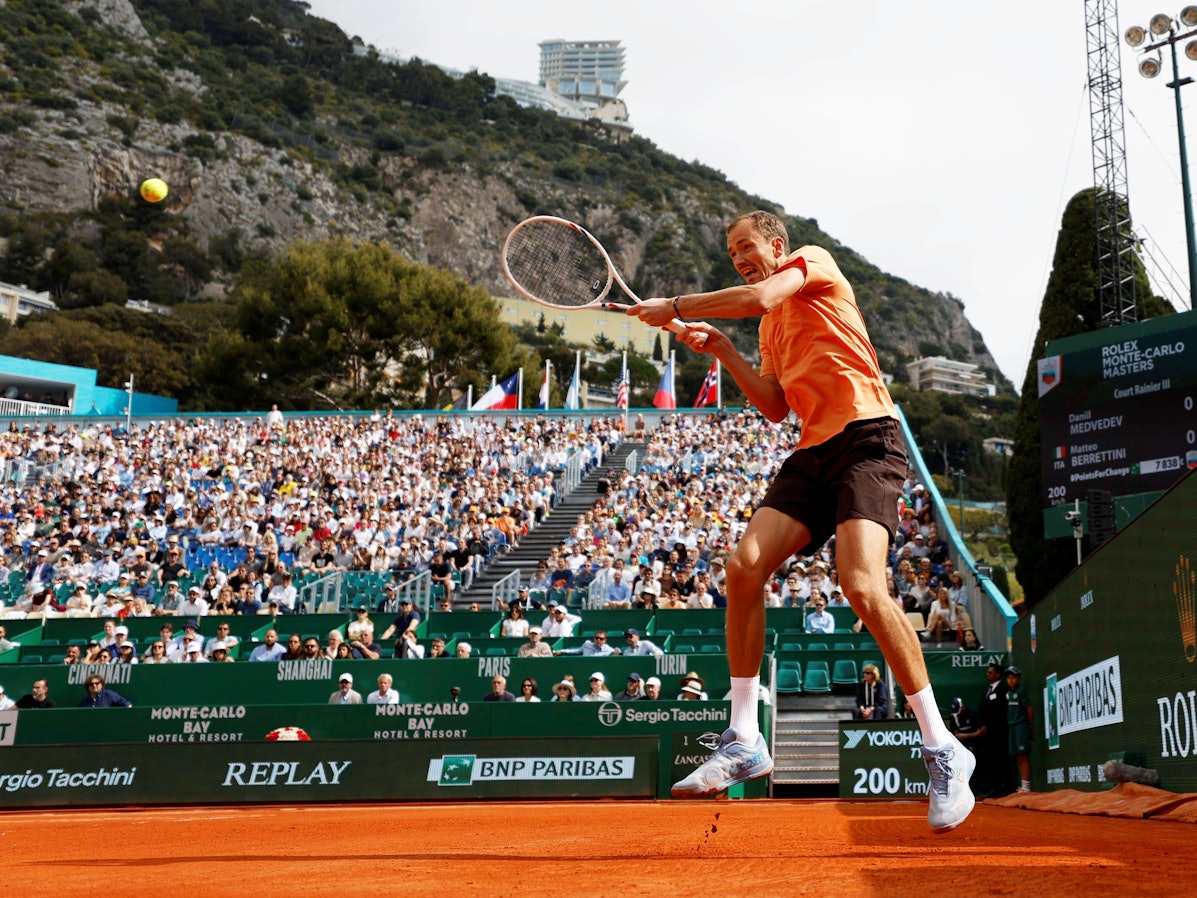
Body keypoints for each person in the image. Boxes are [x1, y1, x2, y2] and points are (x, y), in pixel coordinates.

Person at [627, 210, 972, 830]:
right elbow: (773, 406)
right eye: (731, 253)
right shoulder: (768, 327)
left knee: (862, 586)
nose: (739, 258)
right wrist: (726, 348)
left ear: (776, 244)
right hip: (811, 452)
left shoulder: (812, 263)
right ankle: (743, 737)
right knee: (743, 567)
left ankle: (943, 749)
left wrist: (673, 304)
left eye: (745, 246)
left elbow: (760, 292)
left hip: (869, 438)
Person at [976, 662, 1010, 797]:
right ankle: (995, 788)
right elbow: (982, 710)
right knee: (991, 761)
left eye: (990, 672)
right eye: (987, 672)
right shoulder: (986, 690)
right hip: (987, 734)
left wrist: (989, 726)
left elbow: (1000, 712)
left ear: (998, 674)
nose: (987, 674)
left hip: (999, 732)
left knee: (1002, 760)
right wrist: (981, 726)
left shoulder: (1003, 690)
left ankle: (1005, 788)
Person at [1006, 667, 1033, 793]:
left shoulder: (1021, 692)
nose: (1011, 681)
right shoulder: (1008, 694)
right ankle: (1023, 786)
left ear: (1018, 678)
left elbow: (1029, 709)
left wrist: (1030, 726)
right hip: (1012, 726)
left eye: (1013, 678)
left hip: (1021, 725)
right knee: (1018, 757)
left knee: (1023, 756)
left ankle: (1027, 787)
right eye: (1009, 678)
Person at [554, 629, 619, 657]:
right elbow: (576, 651)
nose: (598, 640)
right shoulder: (586, 645)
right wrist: (562, 651)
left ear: (605, 640)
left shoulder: (608, 649)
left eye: (601, 639)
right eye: (597, 638)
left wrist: (617, 651)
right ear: (594, 638)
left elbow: (617, 652)